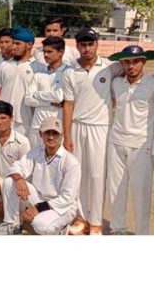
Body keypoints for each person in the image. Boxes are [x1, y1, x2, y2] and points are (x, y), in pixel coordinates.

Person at [62, 28, 121, 236]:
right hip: (77, 126)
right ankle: (81, 218)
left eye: (90, 44)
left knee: (97, 175)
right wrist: (67, 135)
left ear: (97, 44)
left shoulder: (109, 67)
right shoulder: (70, 72)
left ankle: (96, 222)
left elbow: (132, 69)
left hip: (100, 128)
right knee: (79, 174)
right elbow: (68, 105)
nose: (87, 49)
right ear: (77, 45)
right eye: (83, 44)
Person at [0, 117, 81, 236]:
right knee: (9, 181)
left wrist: (37, 208)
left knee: (40, 226)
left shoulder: (70, 162)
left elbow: (66, 198)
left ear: (61, 135)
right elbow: (16, 166)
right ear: (40, 134)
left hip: (62, 207)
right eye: (47, 132)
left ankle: (63, 228)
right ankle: (12, 224)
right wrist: (19, 179)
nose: (51, 137)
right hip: (40, 197)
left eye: (55, 133)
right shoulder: (37, 151)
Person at [106, 45, 154, 235]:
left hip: (141, 145)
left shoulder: (151, 83)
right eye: (127, 62)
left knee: (141, 193)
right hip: (116, 141)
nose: (131, 66)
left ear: (143, 62)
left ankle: (142, 234)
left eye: (136, 61)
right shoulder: (117, 83)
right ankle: (118, 229)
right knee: (116, 190)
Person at [24, 36, 69, 148]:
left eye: (50, 52)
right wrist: (49, 103)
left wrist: (37, 94)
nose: (46, 55)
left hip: (56, 126)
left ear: (61, 52)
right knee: (34, 161)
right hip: (37, 126)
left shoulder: (68, 72)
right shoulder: (39, 74)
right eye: (44, 51)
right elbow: (28, 100)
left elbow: (58, 97)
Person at [0, 26, 41, 136]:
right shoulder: (4, 65)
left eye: (18, 44)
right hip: (3, 119)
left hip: (25, 121)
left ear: (29, 45)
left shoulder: (38, 67)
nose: (14, 47)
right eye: (14, 43)